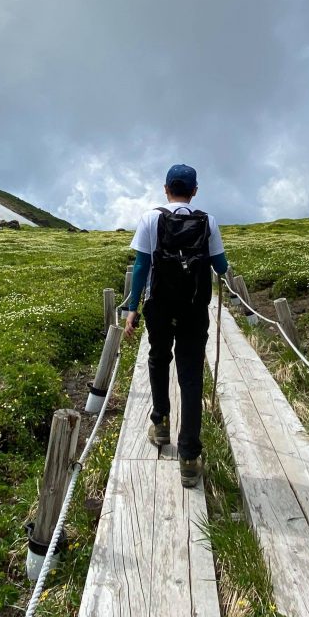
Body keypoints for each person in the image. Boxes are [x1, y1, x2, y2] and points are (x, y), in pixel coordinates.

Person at [123, 163, 230, 488]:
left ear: (166, 188)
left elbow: (141, 266)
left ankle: (160, 424)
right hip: (194, 308)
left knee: (158, 359)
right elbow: (221, 266)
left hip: (159, 304)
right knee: (191, 375)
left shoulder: (150, 218)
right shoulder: (207, 220)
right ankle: (189, 457)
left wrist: (132, 309)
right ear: (194, 190)